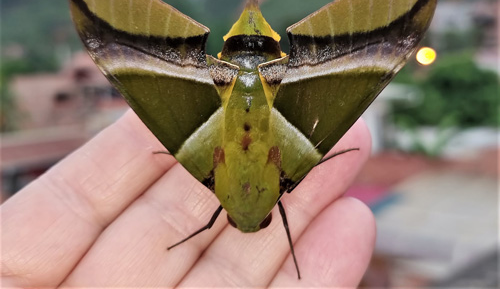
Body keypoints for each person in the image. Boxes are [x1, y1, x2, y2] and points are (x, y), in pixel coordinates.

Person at [1, 110, 375, 287]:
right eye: (261, 221)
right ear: (270, 216)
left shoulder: (250, 185)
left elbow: (211, 218)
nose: (247, 220)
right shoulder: (281, 183)